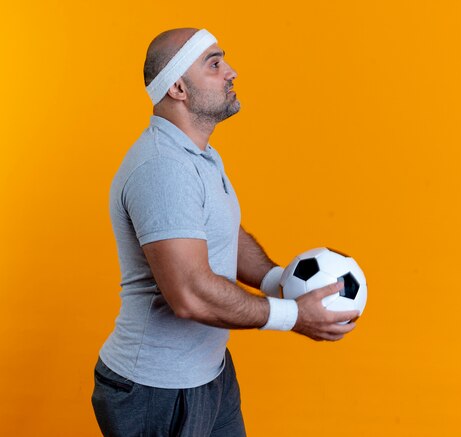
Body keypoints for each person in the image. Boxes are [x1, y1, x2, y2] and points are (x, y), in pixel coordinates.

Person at [91, 27, 360, 437]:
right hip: (156, 390)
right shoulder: (163, 168)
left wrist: (280, 282)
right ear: (178, 88)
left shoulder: (200, 156)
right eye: (214, 65)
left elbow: (223, 234)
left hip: (210, 374)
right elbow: (189, 294)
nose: (231, 72)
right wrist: (294, 316)